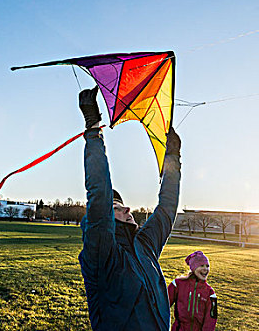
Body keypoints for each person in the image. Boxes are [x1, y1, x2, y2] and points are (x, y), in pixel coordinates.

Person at [77, 86, 182, 330]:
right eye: (117, 208)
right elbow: (99, 196)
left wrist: (173, 157)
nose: (127, 210)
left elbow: (166, 208)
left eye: (123, 206)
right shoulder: (101, 252)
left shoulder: (145, 245)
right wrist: (93, 130)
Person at [168, 251, 218, 331]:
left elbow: (211, 320)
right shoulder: (177, 285)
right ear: (193, 268)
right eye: (201, 265)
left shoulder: (210, 293)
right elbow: (163, 305)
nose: (205, 269)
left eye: (207, 266)